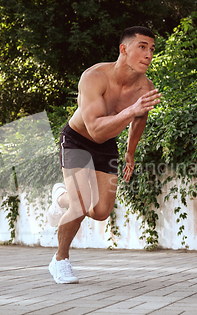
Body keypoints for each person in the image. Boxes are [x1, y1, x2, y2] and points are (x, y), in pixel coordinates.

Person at [47, 26, 161, 284]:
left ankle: (60, 197)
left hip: (106, 145)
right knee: (80, 205)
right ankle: (60, 261)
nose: (148, 54)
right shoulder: (94, 77)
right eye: (142, 47)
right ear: (124, 49)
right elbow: (96, 130)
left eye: (151, 49)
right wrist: (132, 110)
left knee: (99, 211)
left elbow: (138, 120)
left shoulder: (145, 87)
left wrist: (130, 153)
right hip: (77, 139)